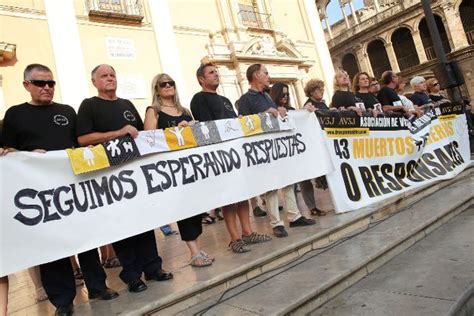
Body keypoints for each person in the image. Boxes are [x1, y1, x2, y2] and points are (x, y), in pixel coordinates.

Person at [1, 63, 120, 316]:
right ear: (26, 85)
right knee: (52, 246)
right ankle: (63, 301)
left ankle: (97, 286)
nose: (47, 88)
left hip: (74, 187)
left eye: (51, 83)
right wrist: (26, 155)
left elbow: (79, 144)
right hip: (39, 194)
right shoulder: (14, 114)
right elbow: (7, 152)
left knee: (87, 238)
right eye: (40, 83)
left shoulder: (67, 111)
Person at [77, 64, 173, 293]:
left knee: (145, 222)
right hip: (111, 180)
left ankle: (153, 268)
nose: (110, 79)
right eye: (104, 76)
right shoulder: (89, 105)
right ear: (94, 81)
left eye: (113, 75)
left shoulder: (127, 104)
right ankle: (131, 276)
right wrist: (118, 132)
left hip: (135, 175)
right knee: (123, 228)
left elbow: (142, 135)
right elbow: (83, 138)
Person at [190, 63, 272, 253]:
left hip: (237, 152)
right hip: (220, 155)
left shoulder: (226, 99)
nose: (216, 75)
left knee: (243, 193)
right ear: (201, 79)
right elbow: (206, 127)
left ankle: (248, 232)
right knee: (229, 196)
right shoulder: (199, 99)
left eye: (217, 72)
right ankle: (234, 238)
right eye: (211, 73)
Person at [238, 64, 316, 238]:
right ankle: (276, 224)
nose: (268, 76)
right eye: (265, 73)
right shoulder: (245, 99)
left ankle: (294, 216)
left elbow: (279, 115)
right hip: (263, 150)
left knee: (288, 180)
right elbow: (244, 123)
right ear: (256, 75)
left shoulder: (267, 96)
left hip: (278, 146)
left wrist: (281, 110)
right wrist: (266, 113)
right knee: (271, 185)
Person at [144, 72, 213, 267]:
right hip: (172, 169)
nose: (167, 86)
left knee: (197, 210)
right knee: (185, 210)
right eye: (162, 83)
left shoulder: (184, 110)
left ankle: (198, 249)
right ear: (156, 89)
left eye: (170, 83)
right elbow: (149, 139)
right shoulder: (153, 111)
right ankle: (194, 252)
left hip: (192, 165)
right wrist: (174, 131)